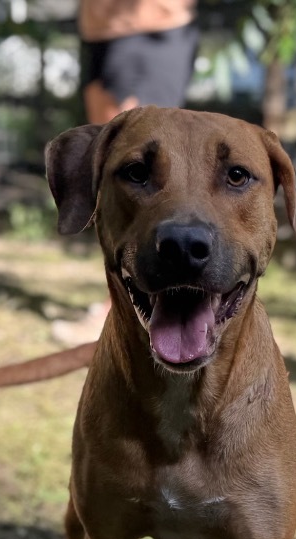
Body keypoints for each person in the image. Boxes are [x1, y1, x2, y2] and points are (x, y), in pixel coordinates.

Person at [52, 0, 199, 346]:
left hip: (151, 28)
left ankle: (124, 316)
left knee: (141, 175)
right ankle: (120, 307)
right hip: (101, 29)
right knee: (109, 175)